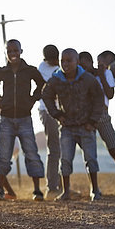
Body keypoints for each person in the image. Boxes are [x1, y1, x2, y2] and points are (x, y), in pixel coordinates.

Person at [42, 48, 104, 201]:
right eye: (62, 60)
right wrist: (57, 115)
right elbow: (46, 95)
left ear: (77, 62)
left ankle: (95, 190)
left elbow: (98, 98)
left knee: (91, 158)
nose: (65, 64)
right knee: (65, 160)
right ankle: (66, 191)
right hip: (67, 127)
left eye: (69, 60)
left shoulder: (87, 79)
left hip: (86, 126)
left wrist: (93, 121)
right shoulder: (56, 79)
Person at [0, 39, 45, 201]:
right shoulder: (1, 72)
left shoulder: (30, 70)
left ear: (21, 51)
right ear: (5, 52)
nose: (13, 54)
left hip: (24, 118)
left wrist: (33, 99)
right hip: (5, 118)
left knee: (31, 152)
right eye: (9, 51)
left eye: (15, 51)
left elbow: (41, 84)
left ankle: (37, 190)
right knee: (2, 154)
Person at [78, 51, 115, 179]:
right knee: (89, 154)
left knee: (114, 150)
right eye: (79, 66)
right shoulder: (79, 77)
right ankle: (94, 188)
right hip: (86, 117)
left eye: (84, 65)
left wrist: (101, 75)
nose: (82, 68)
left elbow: (109, 94)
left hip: (102, 115)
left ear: (91, 62)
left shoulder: (106, 73)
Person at [38, 44, 61, 198]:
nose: (55, 61)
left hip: (61, 110)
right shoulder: (44, 69)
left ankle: (60, 185)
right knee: (53, 149)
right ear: (46, 59)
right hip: (48, 111)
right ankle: (51, 187)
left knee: (61, 148)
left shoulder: (57, 66)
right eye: (53, 59)